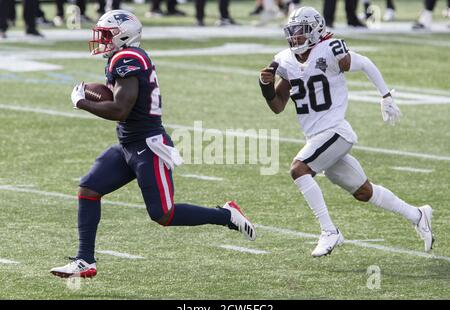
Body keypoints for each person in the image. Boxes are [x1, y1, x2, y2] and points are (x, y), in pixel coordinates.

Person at [50, 10, 256, 278]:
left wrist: (83, 102)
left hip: (148, 146)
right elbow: (118, 99)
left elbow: (120, 109)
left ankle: (226, 216)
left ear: (122, 35)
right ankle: (85, 260)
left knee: (163, 215)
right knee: (89, 188)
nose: (101, 39)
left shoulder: (127, 59)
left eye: (105, 34)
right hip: (128, 144)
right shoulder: (121, 57)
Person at [259, 7, 434, 257]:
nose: (295, 37)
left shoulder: (330, 49)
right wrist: (265, 87)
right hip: (318, 137)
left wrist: (385, 96)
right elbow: (277, 106)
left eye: (301, 32)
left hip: (336, 131)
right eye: (293, 32)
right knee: (364, 192)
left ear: (315, 30)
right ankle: (418, 215)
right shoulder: (285, 60)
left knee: (299, 169)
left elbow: (365, 63)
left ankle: (329, 231)